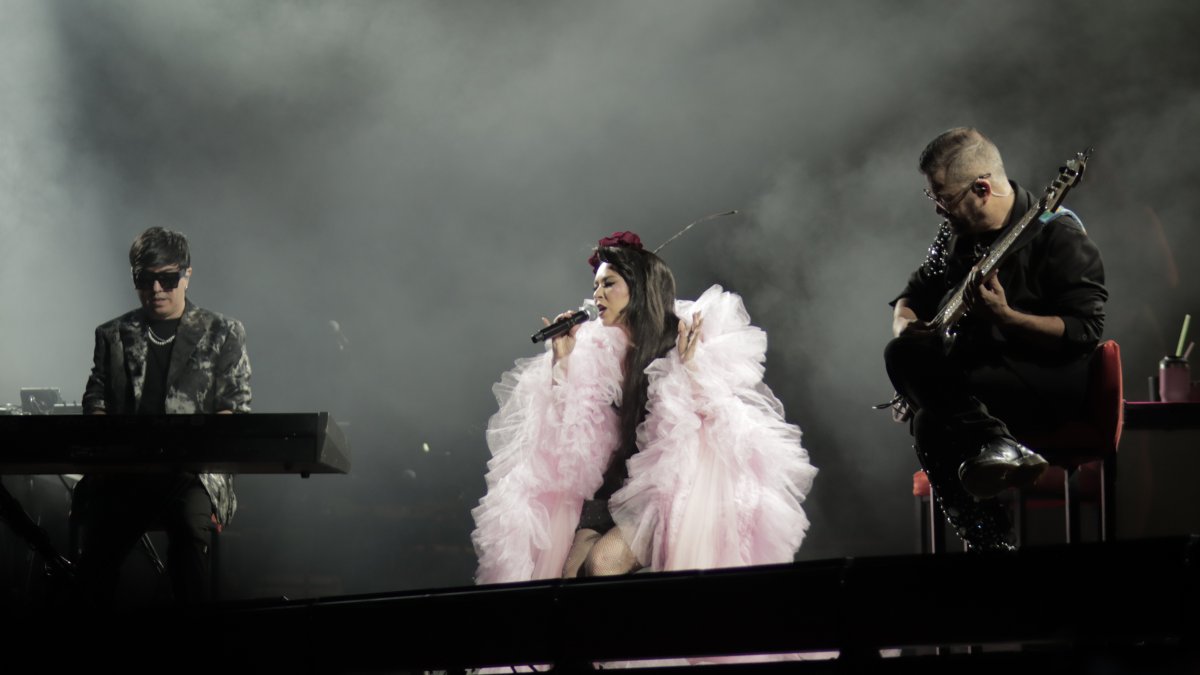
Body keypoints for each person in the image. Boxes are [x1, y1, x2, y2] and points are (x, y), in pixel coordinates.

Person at [471, 231, 815, 583]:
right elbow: (570, 432)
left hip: (662, 489)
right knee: (569, 574)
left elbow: (719, 419)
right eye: (595, 287)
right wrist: (563, 363)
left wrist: (691, 365)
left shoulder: (681, 337)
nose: (597, 294)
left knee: (603, 564)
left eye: (609, 284)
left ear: (637, 287)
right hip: (612, 486)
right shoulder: (598, 350)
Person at [884, 127, 1107, 551]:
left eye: (944, 199)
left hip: (1043, 380)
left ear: (982, 188)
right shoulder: (953, 240)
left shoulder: (1059, 235)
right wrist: (904, 323)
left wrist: (1007, 318)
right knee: (905, 358)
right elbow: (911, 296)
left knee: (933, 416)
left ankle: (991, 530)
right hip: (977, 388)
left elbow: (1084, 332)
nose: (938, 212)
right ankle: (992, 538)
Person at [77, 226, 251, 606]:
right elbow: (96, 397)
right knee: (94, 553)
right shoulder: (113, 334)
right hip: (126, 472)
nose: (156, 289)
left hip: (193, 473)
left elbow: (234, 405)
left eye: (167, 279)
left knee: (189, 534)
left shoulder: (222, 332)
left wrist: (205, 449)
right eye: (145, 279)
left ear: (187, 275)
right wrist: (107, 440)